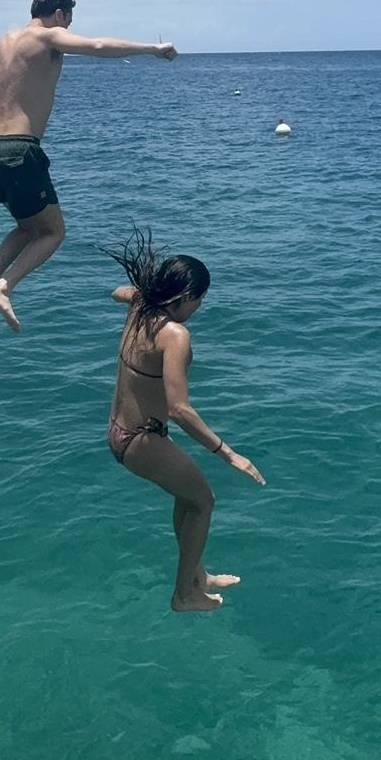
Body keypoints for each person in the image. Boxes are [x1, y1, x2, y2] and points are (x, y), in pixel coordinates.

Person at [0, 0, 177, 332]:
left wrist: (4, 57)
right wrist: (152, 49)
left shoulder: (5, 39)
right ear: (59, 14)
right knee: (54, 232)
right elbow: (98, 46)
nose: (67, 29)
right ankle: (3, 287)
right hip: (18, 150)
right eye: (68, 21)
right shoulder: (48, 36)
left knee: (27, 228)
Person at [104, 228, 265, 612]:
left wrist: (142, 292)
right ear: (188, 296)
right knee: (204, 502)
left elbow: (117, 292)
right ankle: (184, 595)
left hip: (121, 431)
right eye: (200, 299)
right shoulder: (175, 335)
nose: (199, 307)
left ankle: (198, 576)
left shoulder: (140, 305)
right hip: (142, 440)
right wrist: (229, 454)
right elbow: (180, 409)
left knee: (187, 497)